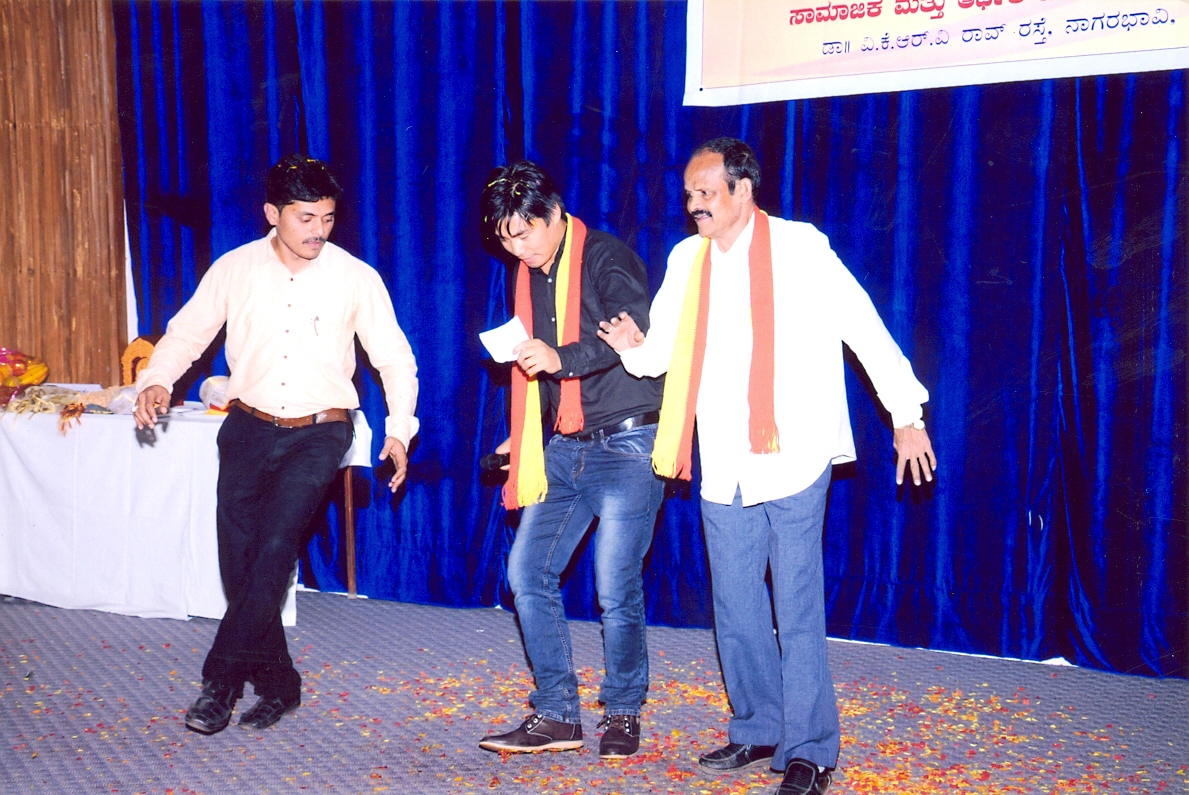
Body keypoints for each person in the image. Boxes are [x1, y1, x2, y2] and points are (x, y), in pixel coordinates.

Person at [598, 138, 935, 795]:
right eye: (689, 195)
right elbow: (663, 353)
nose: (693, 205)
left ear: (743, 190)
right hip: (725, 457)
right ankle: (757, 724)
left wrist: (906, 413)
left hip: (794, 452)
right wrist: (633, 347)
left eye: (706, 193)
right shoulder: (686, 259)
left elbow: (863, 325)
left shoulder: (801, 246)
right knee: (734, 600)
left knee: (797, 602)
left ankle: (810, 749)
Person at [134, 155, 419, 735]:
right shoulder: (234, 269)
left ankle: (220, 682)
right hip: (247, 426)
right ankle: (281, 684)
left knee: (273, 549)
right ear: (273, 213)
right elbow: (187, 334)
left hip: (321, 430)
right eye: (306, 218)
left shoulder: (355, 276)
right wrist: (157, 379)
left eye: (328, 218)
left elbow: (394, 357)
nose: (319, 231)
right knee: (239, 562)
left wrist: (399, 429)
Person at [475, 161, 664, 759]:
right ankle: (557, 713)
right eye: (506, 239)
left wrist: (560, 358)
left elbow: (631, 331)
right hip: (564, 444)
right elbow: (539, 374)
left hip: (629, 443)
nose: (518, 248)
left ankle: (624, 709)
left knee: (615, 583)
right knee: (527, 572)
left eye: (525, 232)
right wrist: (523, 436)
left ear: (555, 213)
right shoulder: (528, 277)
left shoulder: (606, 256)